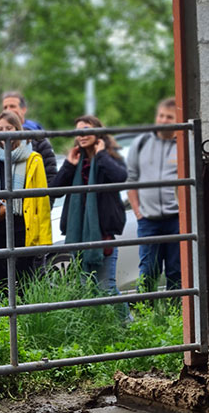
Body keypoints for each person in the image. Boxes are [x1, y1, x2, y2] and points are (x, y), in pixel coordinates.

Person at [0, 110, 51, 291]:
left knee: (25, 281)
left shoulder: (33, 159)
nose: (4, 132)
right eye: (0, 129)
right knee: (1, 282)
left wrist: (44, 238)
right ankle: (5, 318)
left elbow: (42, 200)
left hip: (22, 228)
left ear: (18, 129)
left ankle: (24, 318)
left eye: (9, 128)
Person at [54, 115, 127, 296]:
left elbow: (120, 177)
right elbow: (55, 190)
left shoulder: (109, 157)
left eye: (86, 130)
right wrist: (69, 165)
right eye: (79, 132)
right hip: (78, 235)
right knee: (86, 289)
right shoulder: (76, 161)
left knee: (106, 287)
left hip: (103, 234)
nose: (82, 135)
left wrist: (101, 155)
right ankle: (100, 324)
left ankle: (126, 323)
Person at [127, 97, 181, 292]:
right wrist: (138, 212)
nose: (163, 120)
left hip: (177, 220)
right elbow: (131, 180)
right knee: (148, 271)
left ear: (177, 119)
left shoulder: (183, 144)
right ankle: (148, 315)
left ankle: (177, 317)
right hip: (148, 221)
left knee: (177, 271)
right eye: (161, 116)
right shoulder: (141, 142)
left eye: (169, 117)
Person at [1, 90, 58, 186]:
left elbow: (50, 172)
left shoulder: (38, 137)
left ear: (24, 109)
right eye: (5, 107)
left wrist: (47, 199)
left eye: (12, 106)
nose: (8, 110)